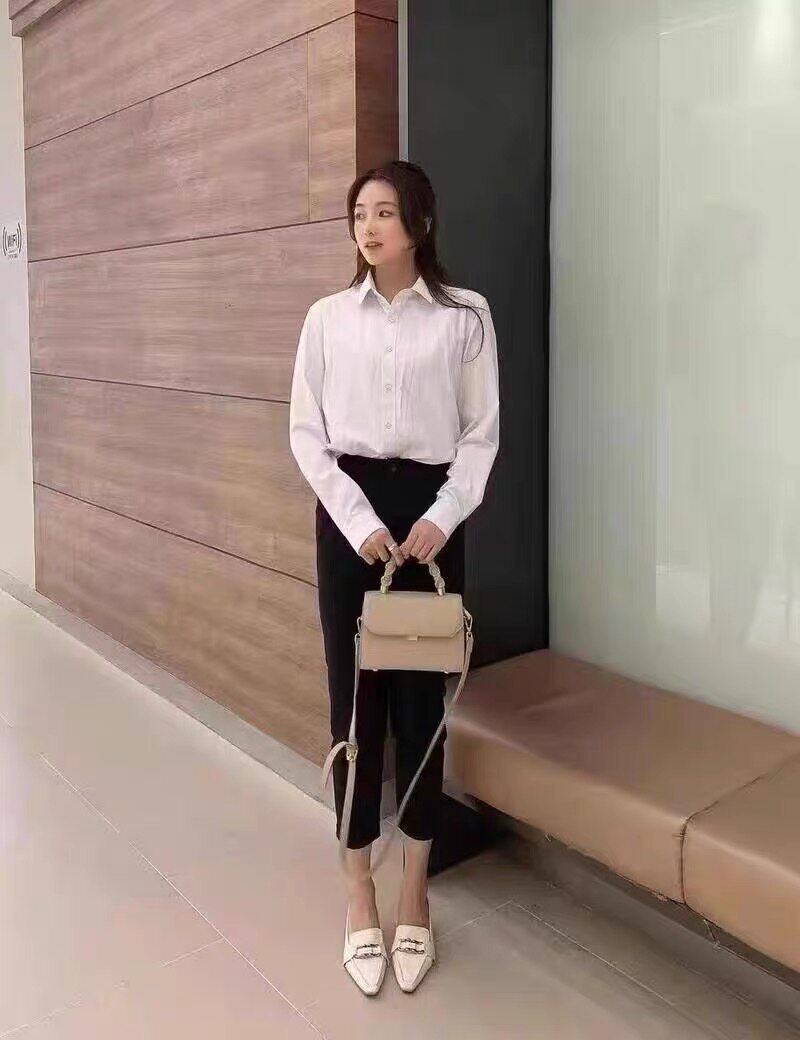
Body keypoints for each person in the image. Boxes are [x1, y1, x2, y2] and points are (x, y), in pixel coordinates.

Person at [288, 159, 500, 995]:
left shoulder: (465, 316)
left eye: (384, 212)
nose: (368, 226)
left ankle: (415, 891)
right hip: (353, 520)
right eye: (359, 213)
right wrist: (360, 522)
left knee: (423, 707)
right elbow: (308, 435)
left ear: (421, 221)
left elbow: (480, 434)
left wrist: (441, 518)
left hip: (432, 521)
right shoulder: (326, 317)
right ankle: (358, 894)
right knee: (353, 705)